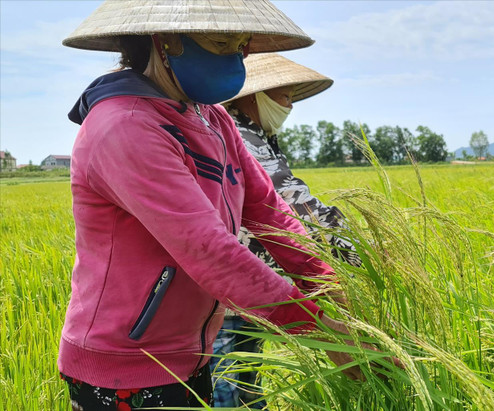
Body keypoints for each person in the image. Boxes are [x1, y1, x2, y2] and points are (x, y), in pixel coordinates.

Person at [58, 1, 395, 409]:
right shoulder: (126, 125)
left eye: (240, 45)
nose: (234, 57)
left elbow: (269, 211)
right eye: (220, 42)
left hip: (191, 351)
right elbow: (209, 249)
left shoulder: (213, 120)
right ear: (166, 41)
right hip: (126, 363)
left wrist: (327, 285)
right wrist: (320, 330)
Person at [210, 53, 362, 408]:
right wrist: (359, 252)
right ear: (255, 96)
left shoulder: (255, 135)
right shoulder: (242, 137)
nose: (289, 106)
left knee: (244, 387)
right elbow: (295, 207)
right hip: (231, 290)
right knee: (228, 392)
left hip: (249, 289)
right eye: (284, 96)